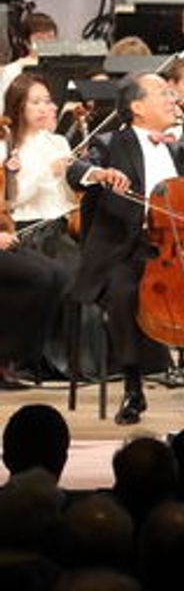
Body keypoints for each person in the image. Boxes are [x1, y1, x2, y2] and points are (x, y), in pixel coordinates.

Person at [65, 73, 184, 425]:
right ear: (137, 107)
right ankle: (134, 388)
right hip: (127, 250)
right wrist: (99, 175)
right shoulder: (109, 142)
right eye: (163, 92)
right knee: (125, 292)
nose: (172, 97)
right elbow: (76, 171)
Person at [0, 75, 77, 386]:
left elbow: (67, 198)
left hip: (61, 223)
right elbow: (12, 199)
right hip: (30, 227)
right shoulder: (9, 146)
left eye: (47, 100)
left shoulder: (58, 142)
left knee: (70, 271)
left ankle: (26, 359)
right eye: (36, 101)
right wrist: (49, 171)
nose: (45, 107)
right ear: (19, 108)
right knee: (52, 273)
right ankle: (21, 359)